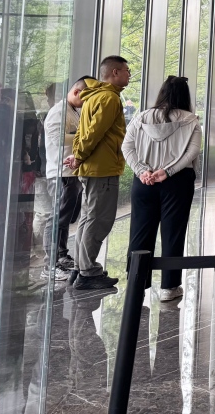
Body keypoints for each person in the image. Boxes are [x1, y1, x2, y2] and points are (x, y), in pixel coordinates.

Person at [122, 76, 201, 301]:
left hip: (144, 182)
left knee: (140, 231)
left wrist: (141, 171)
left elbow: (127, 146)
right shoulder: (191, 120)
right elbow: (192, 152)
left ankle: (136, 283)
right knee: (173, 233)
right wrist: (168, 171)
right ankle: (169, 286)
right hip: (177, 182)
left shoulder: (141, 117)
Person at [66, 55, 130, 290]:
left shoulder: (92, 97)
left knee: (87, 218)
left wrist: (78, 155)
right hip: (102, 168)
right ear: (114, 72)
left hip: (92, 167)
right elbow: (94, 133)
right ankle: (88, 272)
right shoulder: (109, 98)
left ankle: (80, 267)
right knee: (98, 219)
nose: (129, 75)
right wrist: (79, 155)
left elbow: (82, 133)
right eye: (126, 71)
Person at [42, 77, 90, 281]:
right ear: (76, 92)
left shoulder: (74, 110)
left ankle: (61, 255)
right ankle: (49, 264)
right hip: (60, 172)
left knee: (64, 218)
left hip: (71, 173)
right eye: (86, 98)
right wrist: (83, 136)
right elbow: (56, 138)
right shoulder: (58, 112)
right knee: (56, 218)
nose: (87, 103)